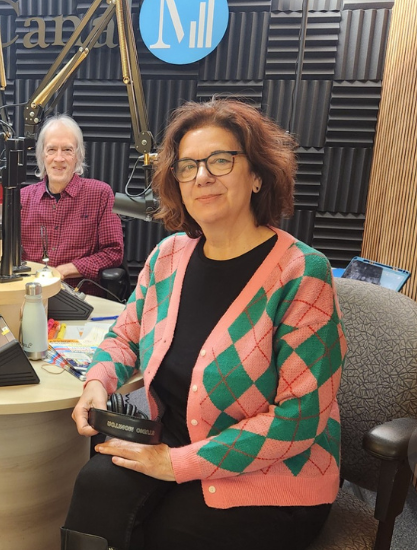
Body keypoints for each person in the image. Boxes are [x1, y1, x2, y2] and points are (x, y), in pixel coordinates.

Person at [63, 99, 346, 550]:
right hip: (171, 434)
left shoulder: (301, 273)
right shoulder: (168, 256)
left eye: (220, 160)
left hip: (272, 466)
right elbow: (125, 335)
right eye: (188, 165)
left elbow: (299, 420)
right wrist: (98, 382)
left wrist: (177, 465)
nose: (202, 176)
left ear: (257, 175)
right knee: (94, 490)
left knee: (173, 532)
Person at [20, 114, 123, 295]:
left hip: (78, 296)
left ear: (78, 155)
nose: (59, 158)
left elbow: (113, 252)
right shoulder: (23, 198)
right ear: (42, 155)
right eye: (52, 149)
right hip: (29, 294)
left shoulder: (100, 194)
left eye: (67, 150)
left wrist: (65, 270)